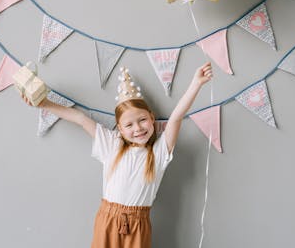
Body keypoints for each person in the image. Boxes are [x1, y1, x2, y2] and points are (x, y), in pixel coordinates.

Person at [21, 62, 213, 248]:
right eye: (129, 125)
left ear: (152, 118)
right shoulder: (112, 144)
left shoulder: (159, 152)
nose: (137, 128)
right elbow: (80, 119)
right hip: (108, 220)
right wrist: (44, 104)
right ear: (120, 129)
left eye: (142, 120)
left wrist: (195, 84)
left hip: (139, 225)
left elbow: (176, 117)